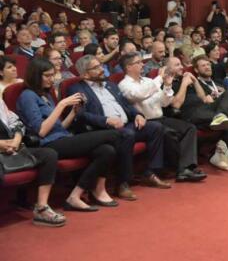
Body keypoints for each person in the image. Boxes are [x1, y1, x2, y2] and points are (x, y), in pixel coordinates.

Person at [17, 58, 120, 211]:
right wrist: (61, 105)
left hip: (63, 138)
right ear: (35, 75)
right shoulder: (27, 96)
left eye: (53, 75)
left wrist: (73, 112)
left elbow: (60, 127)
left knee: (106, 150)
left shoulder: (45, 94)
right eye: (47, 75)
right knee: (114, 135)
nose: (51, 79)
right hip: (47, 145)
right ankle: (107, 186)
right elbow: (41, 131)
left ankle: (75, 196)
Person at [68, 55, 171, 201]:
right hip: (103, 129)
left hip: (125, 123)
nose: (101, 69)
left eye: (101, 65)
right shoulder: (77, 89)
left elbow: (127, 105)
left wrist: (138, 114)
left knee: (155, 127)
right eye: (96, 68)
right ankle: (123, 183)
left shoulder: (110, 84)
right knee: (127, 135)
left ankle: (150, 173)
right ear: (85, 73)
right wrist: (106, 120)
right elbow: (81, 114)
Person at [118, 52, 207, 182]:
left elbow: (164, 102)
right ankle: (181, 169)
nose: (142, 64)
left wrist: (167, 86)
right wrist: (159, 78)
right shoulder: (124, 84)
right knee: (169, 133)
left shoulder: (148, 80)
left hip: (160, 117)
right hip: (145, 123)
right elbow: (139, 94)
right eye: (138, 62)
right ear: (128, 67)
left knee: (189, 128)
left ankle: (186, 167)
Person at [165, 56, 228, 173]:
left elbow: (203, 98)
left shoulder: (185, 79)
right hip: (190, 114)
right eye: (177, 65)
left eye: (181, 64)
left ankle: (220, 115)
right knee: (227, 121)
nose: (181, 67)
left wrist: (195, 82)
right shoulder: (166, 83)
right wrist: (184, 84)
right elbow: (176, 105)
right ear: (167, 68)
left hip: (205, 107)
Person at [0, 97, 65, 227]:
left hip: (12, 145)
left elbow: (14, 120)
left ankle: (42, 208)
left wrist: (16, 139)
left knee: (48, 155)